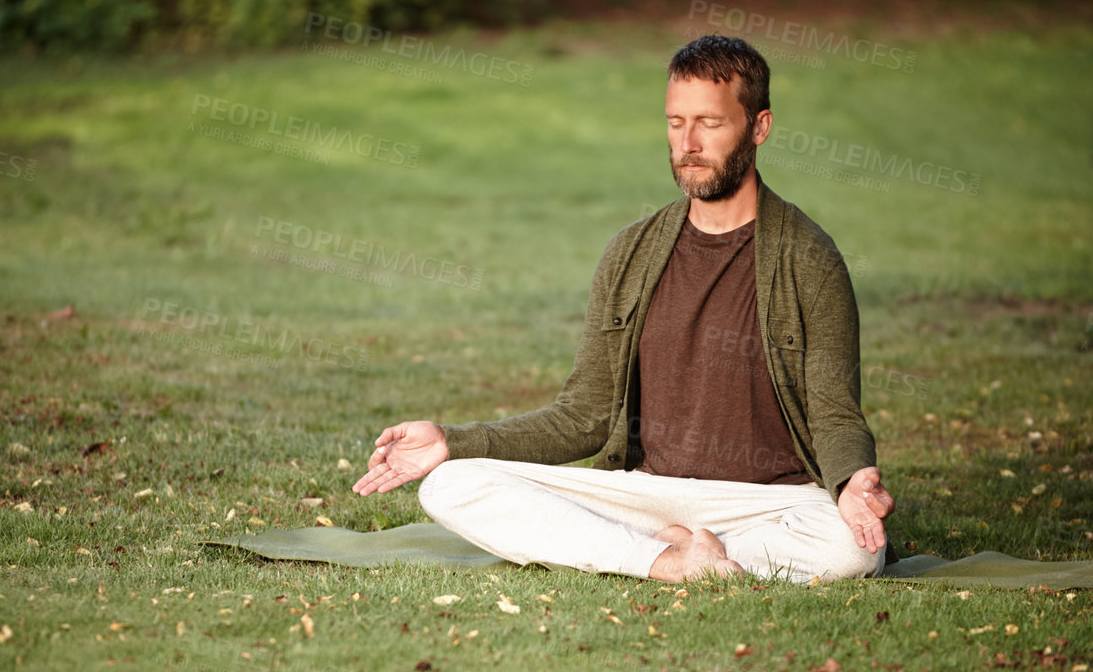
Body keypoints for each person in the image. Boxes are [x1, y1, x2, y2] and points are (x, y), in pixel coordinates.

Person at [352, 35, 895, 583]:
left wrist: (851, 481)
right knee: (452, 483)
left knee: (852, 549)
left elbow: (833, 411)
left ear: (759, 127)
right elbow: (583, 416)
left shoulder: (809, 259)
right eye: (675, 121)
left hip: (759, 502)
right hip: (645, 495)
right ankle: (669, 560)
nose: (688, 142)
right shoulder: (630, 252)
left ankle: (665, 551)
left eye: (710, 122)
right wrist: (453, 441)